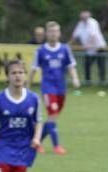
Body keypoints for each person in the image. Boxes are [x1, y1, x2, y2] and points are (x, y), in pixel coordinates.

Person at [28, 21, 80, 155]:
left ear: (59, 33)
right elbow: (33, 69)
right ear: (46, 33)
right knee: (53, 115)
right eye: (51, 31)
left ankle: (36, 140)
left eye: (56, 31)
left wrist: (75, 78)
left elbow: (71, 66)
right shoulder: (40, 51)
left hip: (61, 89)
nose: (53, 34)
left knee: (53, 117)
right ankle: (56, 146)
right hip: (47, 88)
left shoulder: (64, 49)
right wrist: (27, 85)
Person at [71, 10, 107, 84]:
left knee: (101, 65)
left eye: (86, 16)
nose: (84, 17)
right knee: (87, 65)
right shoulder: (80, 24)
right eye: (83, 16)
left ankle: (102, 82)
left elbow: (93, 36)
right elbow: (74, 36)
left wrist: (89, 45)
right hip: (89, 49)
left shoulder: (93, 22)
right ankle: (88, 82)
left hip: (98, 47)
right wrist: (67, 45)